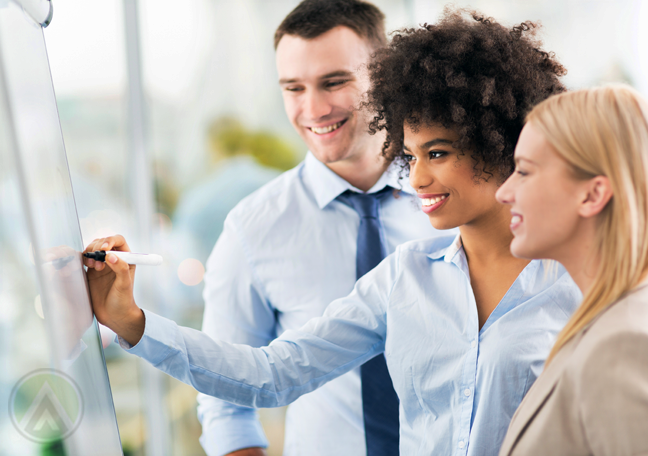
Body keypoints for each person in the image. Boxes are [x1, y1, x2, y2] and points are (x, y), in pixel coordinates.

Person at [83, 9, 582, 455]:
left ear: (499, 144)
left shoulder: (577, 277)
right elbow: (271, 372)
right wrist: (131, 321)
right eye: (410, 156)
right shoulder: (404, 277)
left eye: (437, 153)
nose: (419, 177)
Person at [199, 1, 447, 455]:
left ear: (385, 77)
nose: (313, 109)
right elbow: (224, 397)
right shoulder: (252, 230)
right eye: (294, 88)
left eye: (334, 82)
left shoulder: (457, 201)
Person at [496, 85, 648, 456]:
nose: (504, 192)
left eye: (524, 172)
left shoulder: (622, 344)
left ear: (593, 195)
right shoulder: (607, 320)